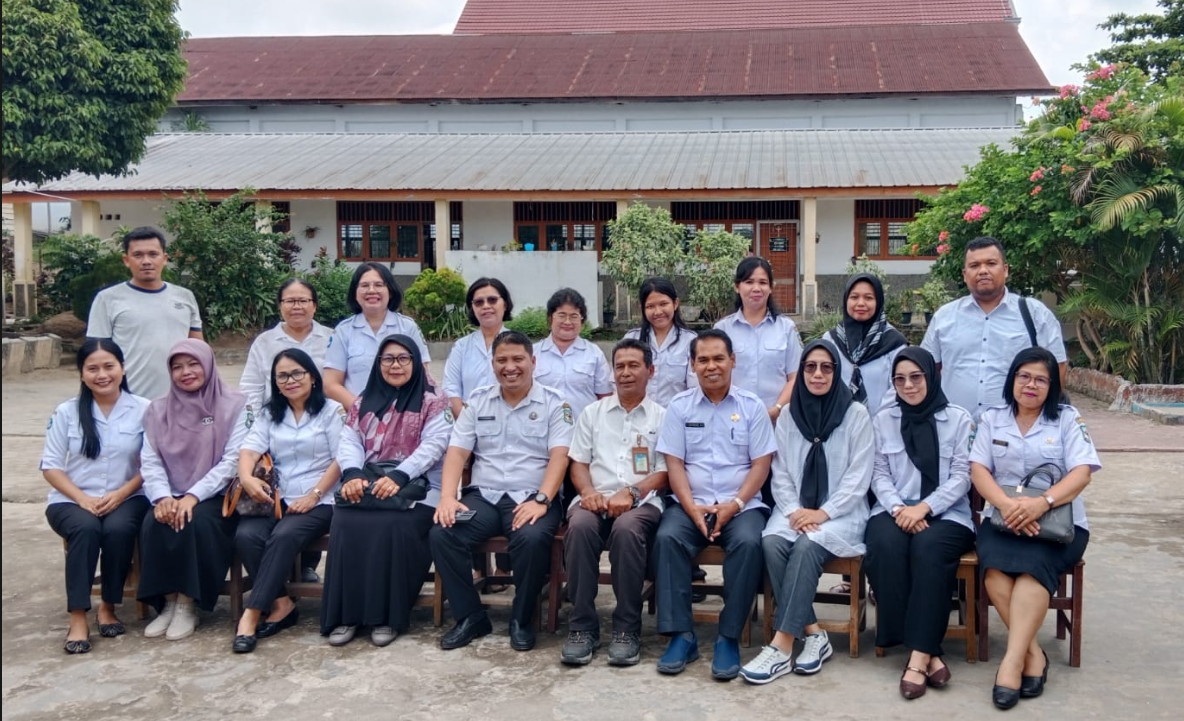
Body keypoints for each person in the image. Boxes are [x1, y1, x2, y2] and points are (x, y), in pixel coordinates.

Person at [970, 347, 1098, 710]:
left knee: (1031, 574)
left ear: (1052, 386)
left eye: (1041, 380)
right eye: (1024, 376)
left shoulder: (1067, 420)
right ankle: (1033, 654)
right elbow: (978, 469)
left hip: (1058, 524)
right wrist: (1008, 506)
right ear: (1012, 379)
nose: (1031, 385)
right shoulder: (992, 419)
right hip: (1004, 519)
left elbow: (1082, 473)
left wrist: (1042, 504)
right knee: (994, 574)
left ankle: (1012, 663)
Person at [739, 340, 873, 685]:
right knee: (772, 542)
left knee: (806, 545)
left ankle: (782, 644)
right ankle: (814, 634)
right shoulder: (788, 415)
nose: (817, 375)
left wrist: (823, 513)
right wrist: (796, 511)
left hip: (841, 512)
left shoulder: (856, 414)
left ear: (837, 372)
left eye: (826, 368)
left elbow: (859, 476)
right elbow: (780, 472)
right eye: (810, 367)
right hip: (795, 509)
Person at [430, 330, 573, 652]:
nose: (510, 367)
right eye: (502, 360)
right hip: (484, 497)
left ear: (533, 361)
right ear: (492, 364)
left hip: (533, 496)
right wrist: (447, 497)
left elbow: (560, 456)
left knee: (531, 538)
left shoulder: (554, 403)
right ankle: (470, 617)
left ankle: (522, 619)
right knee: (443, 533)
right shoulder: (479, 400)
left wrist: (542, 500)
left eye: (518, 359)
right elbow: (457, 451)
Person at [653, 329, 775, 680]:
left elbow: (761, 464)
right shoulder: (680, 407)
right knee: (667, 539)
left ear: (732, 361)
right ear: (692, 365)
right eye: (703, 360)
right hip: (690, 503)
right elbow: (674, 463)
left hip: (741, 505)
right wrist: (691, 507)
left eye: (719, 358)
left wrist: (734, 504)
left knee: (750, 543)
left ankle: (728, 636)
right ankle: (681, 635)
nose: (711, 366)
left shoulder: (751, 407)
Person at [321, 335, 451, 647]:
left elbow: (434, 445)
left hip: (419, 488)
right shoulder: (364, 400)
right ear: (378, 363)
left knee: (393, 524)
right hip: (369, 483)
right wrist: (352, 474)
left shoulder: (434, 401)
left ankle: (387, 616)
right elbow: (350, 441)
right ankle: (347, 615)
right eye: (388, 359)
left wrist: (400, 475)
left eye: (404, 358)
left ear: (416, 363)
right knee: (345, 521)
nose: (396, 365)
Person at [863, 347, 976, 699]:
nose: (908, 385)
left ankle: (917, 658)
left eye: (916, 377)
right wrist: (900, 509)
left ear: (931, 376)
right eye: (899, 379)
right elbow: (878, 474)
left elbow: (963, 476)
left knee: (928, 549)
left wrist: (925, 507)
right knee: (884, 546)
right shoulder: (884, 419)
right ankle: (929, 652)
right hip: (894, 509)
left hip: (947, 513)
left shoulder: (959, 420)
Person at [561, 338, 669, 667]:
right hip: (595, 497)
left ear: (650, 370)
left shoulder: (663, 417)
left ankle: (626, 628)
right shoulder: (592, 413)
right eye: (619, 366)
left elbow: (666, 471)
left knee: (627, 529)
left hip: (642, 502)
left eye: (633, 365)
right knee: (579, 527)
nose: (625, 373)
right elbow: (578, 462)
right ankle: (582, 626)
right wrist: (587, 492)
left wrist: (633, 493)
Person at [41, 339, 151, 654]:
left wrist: (121, 493)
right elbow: (50, 466)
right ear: (81, 373)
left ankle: (108, 606)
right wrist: (82, 499)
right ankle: (77, 616)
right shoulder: (66, 412)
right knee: (86, 528)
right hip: (71, 500)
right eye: (92, 368)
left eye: (109, 366)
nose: (102, 375)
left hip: (128, 495)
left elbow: (153, 463)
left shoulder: (144, 409)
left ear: (122, 369)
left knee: (118, 529)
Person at [231, 349, 344, 653]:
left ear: (312, 377)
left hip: (322, 499)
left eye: (297, 373)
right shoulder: (270, 413)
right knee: (246, 535)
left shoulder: (331, 411)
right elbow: (249, 450)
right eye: (282, 376)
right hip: (277, 496)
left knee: (283, 536)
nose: (290, 380)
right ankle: (282, 603)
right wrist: (247, 478)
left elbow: (341, 458)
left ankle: (251, 614)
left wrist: (314, 494)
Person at [137, 339, 250, 641]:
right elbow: (150, 460)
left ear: (208, 365)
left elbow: (232, 460)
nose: (186, 372)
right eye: (177, 367)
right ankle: (168, 603)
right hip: (171, 491)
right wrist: (162, 497)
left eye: (193, 364)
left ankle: (188, 604)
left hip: (218, 494)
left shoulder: (236, 404)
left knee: (197, 521)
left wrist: (193, 496)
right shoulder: (157, 410)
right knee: (153, 521)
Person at [921, 236, 1067, 419]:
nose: (983, 271)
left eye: (991, 263)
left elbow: (1058, 366)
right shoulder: (944, 317)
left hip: (1015, 427)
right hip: (956, 427)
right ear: (965, 274)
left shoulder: (1035, 314)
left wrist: (1039, 418)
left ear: (1005, 270)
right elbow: (927, 369)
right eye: (974, 265)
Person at [86, 226, 202, 400]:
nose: (146, 261)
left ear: (164, 259)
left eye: (153, 254)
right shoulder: (107, 299)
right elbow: (96, 356)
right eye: (138, 255)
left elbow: (199, 350)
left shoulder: (185, 297)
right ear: (126, 260)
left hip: (181, 401)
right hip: (129, 401)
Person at [324, 262, 431, 409]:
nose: (371, 290)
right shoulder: (343, 331)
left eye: (379, 285)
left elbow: (423, 376)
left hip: (403, 414)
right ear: (355, 293)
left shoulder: (408, 327)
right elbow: (331, 384)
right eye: (364, 285)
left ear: (390, 291)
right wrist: (362, 411)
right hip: (357, 414)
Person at [714, 257, 802, 422]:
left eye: (763, 282)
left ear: (771, 287)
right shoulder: (722, 329)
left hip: (777, 420)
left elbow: (795, 376)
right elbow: (715, 375)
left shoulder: (786, 328)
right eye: (749, 282)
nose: (756, 288)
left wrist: (777, 409)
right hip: (732, 419)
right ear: (737, 287)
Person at [239, 278, 333, 412]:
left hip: (324, 417)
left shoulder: (332, 338)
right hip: (276, 416)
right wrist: (254, 419)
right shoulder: (264, 342)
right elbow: (251, 386)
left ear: (314, 306)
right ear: (280, 306)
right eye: (289, 301)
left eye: (303, 301)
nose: (296, 307)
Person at [822, 272, 907, 417]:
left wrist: (876, 420)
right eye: (854, 297)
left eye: (868, 298)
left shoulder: (894, 343)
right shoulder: (831, 340)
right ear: (846, 300)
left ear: (878, 301)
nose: (861, 303)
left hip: (881, 423)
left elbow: (899, 386)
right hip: (837, 422)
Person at [533, 287, 613, 421]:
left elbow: (605, 397)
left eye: (574, 316)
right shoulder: (533, 353)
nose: (567, 322)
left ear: (582, 320)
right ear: (550, 318)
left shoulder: (594, 354)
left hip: (584, 428)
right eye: (561, 315)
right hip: (542, 428)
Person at [443, 277, 513, 418]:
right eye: (479, 302)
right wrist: (466, 421)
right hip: (467, 421)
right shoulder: (461, 346)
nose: (486, 306)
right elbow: (450, 387)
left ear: (505, 304)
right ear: (472, 308)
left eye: (492, 300)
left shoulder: (518, 344)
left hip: (510, 421)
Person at [623, 277, 699, 407]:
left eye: (663, 304)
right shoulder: (631, 339)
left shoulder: (690, 341)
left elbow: (695, 389)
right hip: (638, 415)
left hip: (676, 416)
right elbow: (618, 384)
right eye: (650, 306)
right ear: (642, 308)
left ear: (675, 304)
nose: (658, 312)